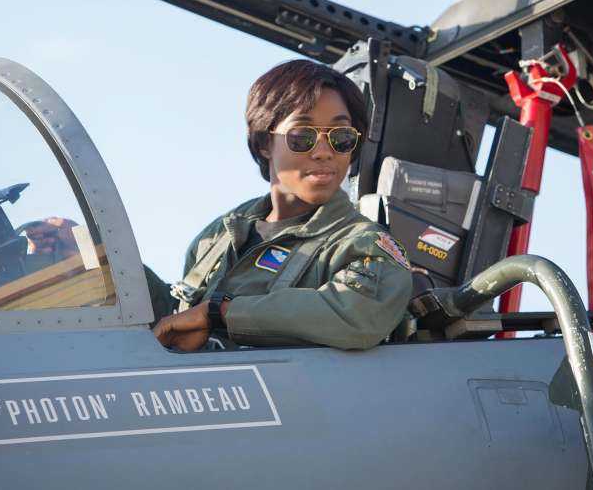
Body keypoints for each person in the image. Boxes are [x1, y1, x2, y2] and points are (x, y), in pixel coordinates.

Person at [149, 59, 412, 351]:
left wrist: (221, 313)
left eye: (341, 137)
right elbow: (177, 317)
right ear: (264, 142)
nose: (324, 152)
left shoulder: (364, 245)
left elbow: (358, 314)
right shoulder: (220, 235)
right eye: (303, 136)